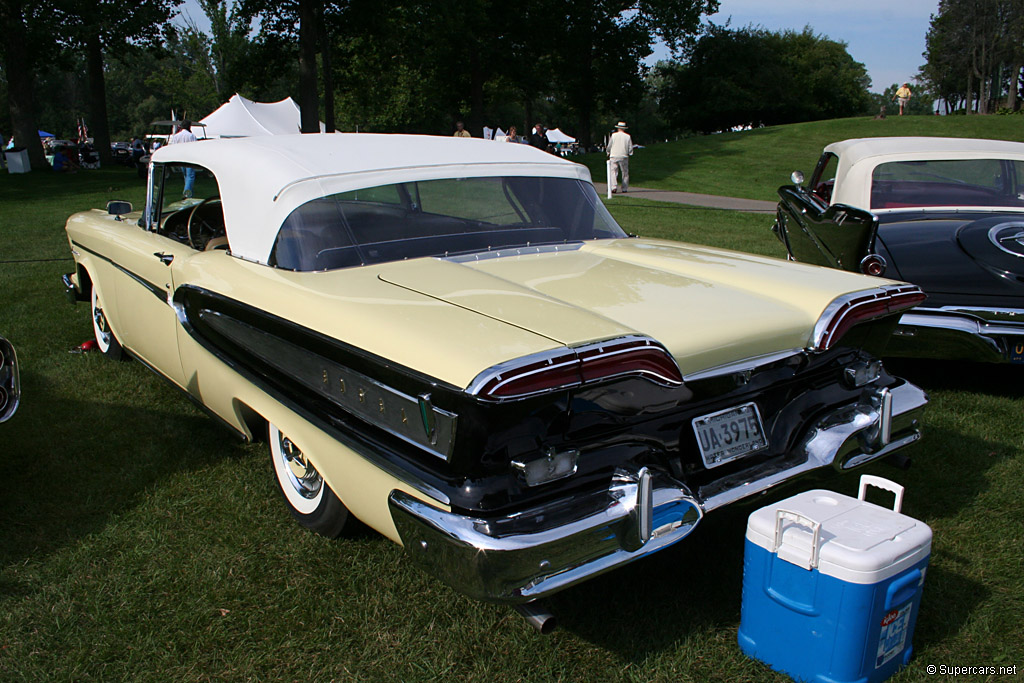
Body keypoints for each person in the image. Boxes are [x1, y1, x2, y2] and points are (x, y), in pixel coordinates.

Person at [168, 120, 198, 197]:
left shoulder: (176, 136)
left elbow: (173, 147)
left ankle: (190, 193)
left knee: (186, 176)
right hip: (190, 158)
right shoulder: (191, 136)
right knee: (190, 176)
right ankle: (186, 193)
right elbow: (195, 147)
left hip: (181, 158)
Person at [607, 121, 633, 194]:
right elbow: (630, 147)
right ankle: (624, 188)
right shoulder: (627, 136)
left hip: (614, 155)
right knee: (624, 172)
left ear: (618, 128)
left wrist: (608, 151)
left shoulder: (614, 135)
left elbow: (609, 145)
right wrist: (630, 153)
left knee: (613, 171)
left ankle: (614, 187)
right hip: (623, 155)